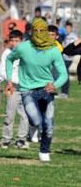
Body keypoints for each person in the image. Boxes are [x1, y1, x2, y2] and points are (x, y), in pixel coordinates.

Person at [6, 18, 68, 162]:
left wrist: (55, 85)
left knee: (49, 126)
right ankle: (35, 132)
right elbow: (9, 59)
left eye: (42, 31)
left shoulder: (53, 50)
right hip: (28, 90)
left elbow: (63, 73)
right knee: (35, 120)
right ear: (31, 32)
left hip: (47, 90)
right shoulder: (23, 47)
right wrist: (9, 79)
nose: (39, 34)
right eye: (36, 31)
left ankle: (44, 151)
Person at [0, 30, 30, 149]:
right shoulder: (6, 53)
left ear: (21, 41)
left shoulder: (27, 52)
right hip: (12, 87)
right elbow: (2, 71)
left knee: (25, 115)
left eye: (17, 40)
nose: (14, 43)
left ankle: (21, 140)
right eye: (12, 40)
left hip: (26, 88)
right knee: (10, 115)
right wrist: (10, 81)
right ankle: (6, 139)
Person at [61, 21, 77, 94]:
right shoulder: (65, 36)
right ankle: (63, 92)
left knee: (64, 74)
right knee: (63, 74)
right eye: (66, 28)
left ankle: (65, 92)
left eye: (68, 28)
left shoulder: (74, 37)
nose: (67, 29)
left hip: (69, 58)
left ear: (71, 28)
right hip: (64, 58)